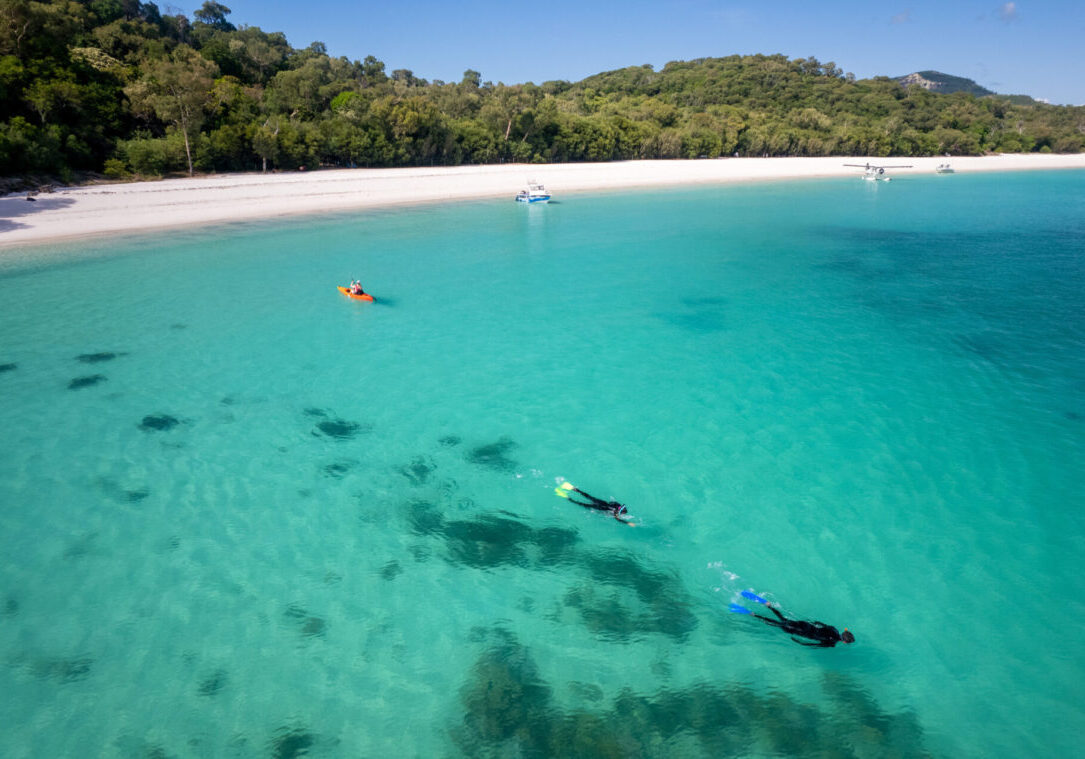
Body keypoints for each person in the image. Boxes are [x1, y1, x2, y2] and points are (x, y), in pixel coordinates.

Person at [753, 604, 855, 647]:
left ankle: (770, 606)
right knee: (778, 624)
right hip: (802, 632)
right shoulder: (831, 643)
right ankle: (754, 615)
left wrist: (813, 623)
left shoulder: (835, 629)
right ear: (845, 642)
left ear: (844, 632)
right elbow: (813, 645)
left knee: (784, 620)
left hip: (805, 625)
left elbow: (818, 623)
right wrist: (800, 642)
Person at [555, 482, 633, 525]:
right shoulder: (616, 513)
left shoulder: (618, 505)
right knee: (581, 504)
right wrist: (628, 523)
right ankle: (567, 497)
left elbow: (612, 502)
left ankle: (574, 489)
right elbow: (618, 520)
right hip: (598, 507)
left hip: (602, 502)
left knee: (589, 497)